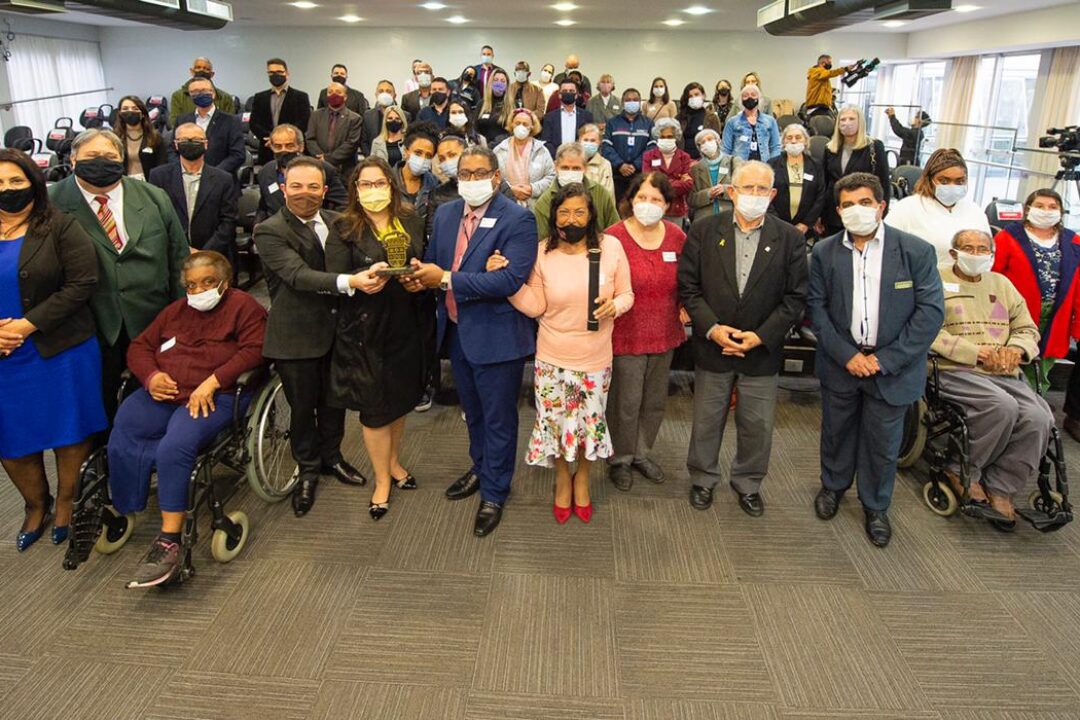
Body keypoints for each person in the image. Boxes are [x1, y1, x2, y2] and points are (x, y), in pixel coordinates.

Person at [108, 251, 266, 587]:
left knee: (175, 446)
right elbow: (139, 347)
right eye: (192, 285)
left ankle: (169, 538)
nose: (199, 291)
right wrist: (151, 377)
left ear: (226, 282)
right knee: (125, 427)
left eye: (208, 282)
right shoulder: (175, 312)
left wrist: (213, 380)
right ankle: (126, 506)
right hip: (167, 391)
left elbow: (255, 350)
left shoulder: (244, 307)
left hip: (215, 395)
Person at [406, 146, 539, 537]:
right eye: (465, 172)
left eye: (480, 173)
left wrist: (443, 278)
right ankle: (481, 468)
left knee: (498, 419)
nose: (471, 179)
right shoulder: (446, 213)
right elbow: (434, 260)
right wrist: (419, 277)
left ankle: (496, 491)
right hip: (456, 330)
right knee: (474, 413)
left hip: (497, 337)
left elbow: (508, 281)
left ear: (496, 177)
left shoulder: (518, 219)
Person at [808, 172, 944, 547]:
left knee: (883, 442)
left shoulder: (915, 251)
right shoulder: (824, 252)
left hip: (893, 368)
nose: (857, 210)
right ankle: (833, 488)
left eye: (865, 203)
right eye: (848, 205)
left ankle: (876, 506)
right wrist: (848, 355)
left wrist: (884, 360)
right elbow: (816, 311)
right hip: (842, 363)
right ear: (838, 210)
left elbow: (929, 314)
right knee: (836, 433)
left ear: (881, 206)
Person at [486, 183, 633, 522]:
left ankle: (582, 477)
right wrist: (507, 281)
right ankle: (561, 478)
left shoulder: (610, 247)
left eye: (579, 211)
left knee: (587, 425)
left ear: (591, 214)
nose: (572, 219)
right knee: (555, 424)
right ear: (553, 218)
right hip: (552, 357)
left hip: (595, 357)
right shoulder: (541, 253)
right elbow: (536, 306)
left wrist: (615, 306)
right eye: (564, 212)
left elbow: (628, 294)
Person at [679, 161, 808, 515]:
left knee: (757, 424)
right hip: (713, 344)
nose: (754, 196)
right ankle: (703, 479)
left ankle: (748, 483)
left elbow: (796, 298)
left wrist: (761, 336)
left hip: (760, 350)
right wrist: (712, 329)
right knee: (707, 419)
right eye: (746, 188)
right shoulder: (704, 230)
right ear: (731, 191)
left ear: (773, 194)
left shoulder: (791, 239)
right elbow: (688, 288)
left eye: (761, 189)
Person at [0, 149, 105, 551]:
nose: (7, 191)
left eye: (15, 181)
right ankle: (34, 506)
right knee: (12, 439)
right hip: (6, 358)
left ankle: (65, 502)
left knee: (69, 430)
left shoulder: (60, 226)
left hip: (60, 348)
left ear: (33, 183)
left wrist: (28, 324)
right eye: (0, 184)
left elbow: (82, 283)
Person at [254, 157, 369, 517]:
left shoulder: (340, 222)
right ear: (284, 188)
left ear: (324, 189)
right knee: (303, 408)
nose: (306, 194)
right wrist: (349, 282)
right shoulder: (269, 230)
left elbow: (361, 259)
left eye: (313, 187)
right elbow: (298, 275)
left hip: (339, 332)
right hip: (296, 336)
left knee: (335, 402)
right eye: (298, 186)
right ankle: (306, 470)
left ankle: (331, 457)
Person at [49, 129, 189, 420]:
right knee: (95, 403)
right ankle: (101, 459)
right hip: (88, 322)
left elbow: (178, 258)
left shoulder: (153, 196)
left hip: (151, 318)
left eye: (110, 156)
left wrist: (182, 318)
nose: (102, 162)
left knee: (149, 399)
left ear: (122, 159)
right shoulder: (51, 202)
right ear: (73, 160)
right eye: (92, 157)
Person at [326, 158, 428, 520]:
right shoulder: (343, 226)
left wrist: (417, 279)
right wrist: (360, 277)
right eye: (365, 184)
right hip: (364, 327)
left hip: (405, 321)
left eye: (379, 182)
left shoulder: (412, 218)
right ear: (355, 189)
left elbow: (422, 261)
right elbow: (334, 275)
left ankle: (395, 462)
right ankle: (382, 479)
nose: (373, 190)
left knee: (398, 401)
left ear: (392, 184)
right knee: (373, 410)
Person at [932, 228, 1052, 528]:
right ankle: (961, 471)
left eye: (982, 249)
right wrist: (976, 352)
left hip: (1004, 369)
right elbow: (927, 330)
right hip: (955, 368)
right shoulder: (935, 280)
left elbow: (1027, 328)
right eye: (968, 248)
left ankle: (1001, 486)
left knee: (1040, 417)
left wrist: (1016, 350)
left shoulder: (1003, 283)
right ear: (953, 252)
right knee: (1001, 407)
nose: (976, 254)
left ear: (991, 254)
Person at [606, 172, 686, 490]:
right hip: (626, 330)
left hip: (665, 328)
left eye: (656, 199)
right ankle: (620, 458)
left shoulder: (677, 237)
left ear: (667, 205)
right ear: (631, 200)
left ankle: (642, 452)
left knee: (654, 399)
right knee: (625, 400)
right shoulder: (613, 237)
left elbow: (689, 278)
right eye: (642, 198)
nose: (648, 205)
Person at [991, 189, 1080, 407]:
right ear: (1028, 208)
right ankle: (1009, 410)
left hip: (1055, 317)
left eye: (1052, 207)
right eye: (1040, 206)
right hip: (1013, 315)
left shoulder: (1072, 240)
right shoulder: (1008, 236)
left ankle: (1032, 409)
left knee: (1041, 369)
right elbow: (993, 277)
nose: (1046, 211)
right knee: (1008, 364)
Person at [885, 148, 990, 264]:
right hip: (922, 279)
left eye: (960, 181)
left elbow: (989, 253)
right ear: (929, 180)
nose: (952, 186)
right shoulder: (906, 208)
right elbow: (887, 251)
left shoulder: (975, 211)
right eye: (944, 181)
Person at [148, 123, 238, 258]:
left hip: (213, 255)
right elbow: (155, 219)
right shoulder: (158, 176)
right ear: (176, 145)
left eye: (196, 140)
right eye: (183, 140)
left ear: (206, 144)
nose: (190, 143)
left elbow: (228, 221)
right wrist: (183, 250)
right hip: (172, 255)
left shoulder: (224, 179)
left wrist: (204, 253)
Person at [254, 124, 348, 225]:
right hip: (276, 231)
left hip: (312, 230)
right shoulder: (265, 171)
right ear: (271, 147)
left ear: (301, 146)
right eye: (278, 146)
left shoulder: (322, 169)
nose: (283, 150)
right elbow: (263, 207)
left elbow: (343, 204)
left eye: (289, 146)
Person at [821, 105, 891, 236]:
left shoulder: (874, 147)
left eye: (851, 119)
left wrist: (881, 214)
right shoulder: (830, 148)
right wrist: (819, 215)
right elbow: (824, 182)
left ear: (860, 122)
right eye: (843, 119)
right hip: (833, 214)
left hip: (862, 213)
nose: (847, 123)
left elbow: (884, 184)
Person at [533, 142, 618, 241]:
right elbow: (543, 241)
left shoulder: (601, 193)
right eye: (565, 168)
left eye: (576, 168)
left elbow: (614, 230)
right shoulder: (544, 202)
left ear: (585, 168)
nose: (570, 172)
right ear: (555, 166)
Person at [174, 77, 246, 177]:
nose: (200, 94)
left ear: (213, 93)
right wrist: (184, 170)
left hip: (220, 179)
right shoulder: (182, 120)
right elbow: (172, 150)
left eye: (204, 90)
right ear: (190, 95)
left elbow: (238, 155)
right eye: (194, 91)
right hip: (187, 176)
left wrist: (212, 174)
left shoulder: (231, 121)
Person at [768, 123, 827, 238]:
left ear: (805, 141)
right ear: (783, 142)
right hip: (777, 225)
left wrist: (806, 223)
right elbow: (766, 194)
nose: (794, 141)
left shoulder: (816, 165)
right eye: (789, 138)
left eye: (798, 137)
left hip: (805, 227)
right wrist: (778, 223)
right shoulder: (772, 164)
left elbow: (820, 196)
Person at [250, 58, 312, 166]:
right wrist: (273, 139)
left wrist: (284, 138)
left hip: (292, 148)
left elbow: (304, 122)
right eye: (271, 72)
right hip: (267, 148)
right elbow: (254, 123)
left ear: (287, 73)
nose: (275, 75)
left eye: (279, 72)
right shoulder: (260, 97)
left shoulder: (301, 96)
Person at [493, 109, 555, 210]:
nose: (521, 126)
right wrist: (510, 190)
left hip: (535, 206)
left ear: (532, 127)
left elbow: (551, 176)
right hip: (505, 205)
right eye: (517, 123)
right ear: (512, 124)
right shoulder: (499, 149)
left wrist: (532, 189)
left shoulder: (541, 150)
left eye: (525, 124)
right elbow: (493, 176)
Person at [601, 88, 654, 202]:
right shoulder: (612, 122)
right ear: (622, 103)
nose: (632, 102)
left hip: (639, 175)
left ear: (640, 102)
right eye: (628, 100)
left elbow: (651, 148)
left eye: (635, 100)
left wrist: (636, 165)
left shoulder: (648, 123)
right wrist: (620, 165)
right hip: (617, 175)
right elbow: (606, 147)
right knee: (619, 207)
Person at [306, 82, 364, 182]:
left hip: (344, 171)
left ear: (345, 97)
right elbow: (310, 139)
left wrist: (328, 159)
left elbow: (351, 143)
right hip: (318, 168)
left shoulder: (355, 118)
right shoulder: (316, 115)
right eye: (330, 92)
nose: (334, 94)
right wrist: (321, 157)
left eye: (338, 92)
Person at [641, 118, 693, 224]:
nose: (666, 139)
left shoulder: (684, 157)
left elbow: (688, 185)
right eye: (662, 137)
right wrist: (677, 181)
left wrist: (659, 182)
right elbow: (647, 181)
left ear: (676, 137)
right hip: (653, 209)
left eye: (669, 137)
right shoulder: (649, 156)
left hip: (676, 210)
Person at [168, 57, 236, 127]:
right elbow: (174, 122)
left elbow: (230, 124)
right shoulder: (178, 96)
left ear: (212, 74)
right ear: (192, 71)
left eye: (206, 69)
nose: (201, 70)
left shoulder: (225, 98)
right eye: (198, 67)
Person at [722, 84, 781, 163]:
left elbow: (775, 147)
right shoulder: (732, 122)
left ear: (759, 98)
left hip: (763, 167)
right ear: (741, 100)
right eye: (745, 95)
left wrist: (773, 165)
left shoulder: (770, 121)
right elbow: (725, 149)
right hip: (739, 167)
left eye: (753, 95)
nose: (750, 97)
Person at [392, 122, 441, 212]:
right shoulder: (388, 179)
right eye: (418, 153)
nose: (422, 159)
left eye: (428, 156)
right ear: (406, 151)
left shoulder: (434, 183)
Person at [689, 128, 736, 220]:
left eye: (709, 139)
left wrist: (725, 190)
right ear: (699, 148)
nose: (706, 143)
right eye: (702, 142)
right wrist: (708, 194)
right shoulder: (695, 169)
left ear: (718, 141)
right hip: (705, 220)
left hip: (730, 217)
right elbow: (691, 199)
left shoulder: (733, 162)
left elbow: (743, 189)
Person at [540, 78, 594, 158]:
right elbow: (546, 141)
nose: (568, 93)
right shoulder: (549, 117)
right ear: (559, 95)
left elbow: (589, 140)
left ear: (576, 95)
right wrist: (559, 156)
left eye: (571, 91)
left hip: (580, 160)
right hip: (556, 161)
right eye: (564, 91)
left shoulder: (587, 116)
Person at [116, 96, 166, 180]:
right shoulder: (115, 138)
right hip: (124, 182)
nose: (130, 112)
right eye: (125, 109)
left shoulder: (155, 137)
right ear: (120, 113)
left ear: (142, 113)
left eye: (135, 108)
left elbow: (162, 165)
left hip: (150, 182)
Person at [677, 82, 721, 160]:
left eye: (697, 94)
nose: (694, 98)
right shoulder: (679, 118)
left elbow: (716, 142)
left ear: (703, 95)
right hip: (683, 160)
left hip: (705, 160)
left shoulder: (712, 118)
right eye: (690, 96)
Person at [361, 80, 400, 156]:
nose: (384, 94)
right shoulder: (367, 115)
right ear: (376, 94)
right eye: (381, 91)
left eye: (388, 91)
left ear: (395, 95)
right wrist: (371, 160)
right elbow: (364, 142)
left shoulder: (405, 115)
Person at [476, 68, 511, 147]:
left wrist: (493, 144)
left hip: (504, 148)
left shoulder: (512, 105)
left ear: (507, 85)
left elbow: (512, 132)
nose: (499, 83)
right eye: (495, 80)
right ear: (490, 83)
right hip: (483, 148)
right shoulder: (482, 103)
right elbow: (474, 127)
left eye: (502, 81)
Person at [578, 124, 615, 199]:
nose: (589, 143)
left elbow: (608, 194)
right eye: (586, 140)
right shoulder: (571, 161)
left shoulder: (605, 164)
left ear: (599, 142)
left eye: (593, 140)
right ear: (579, 140)